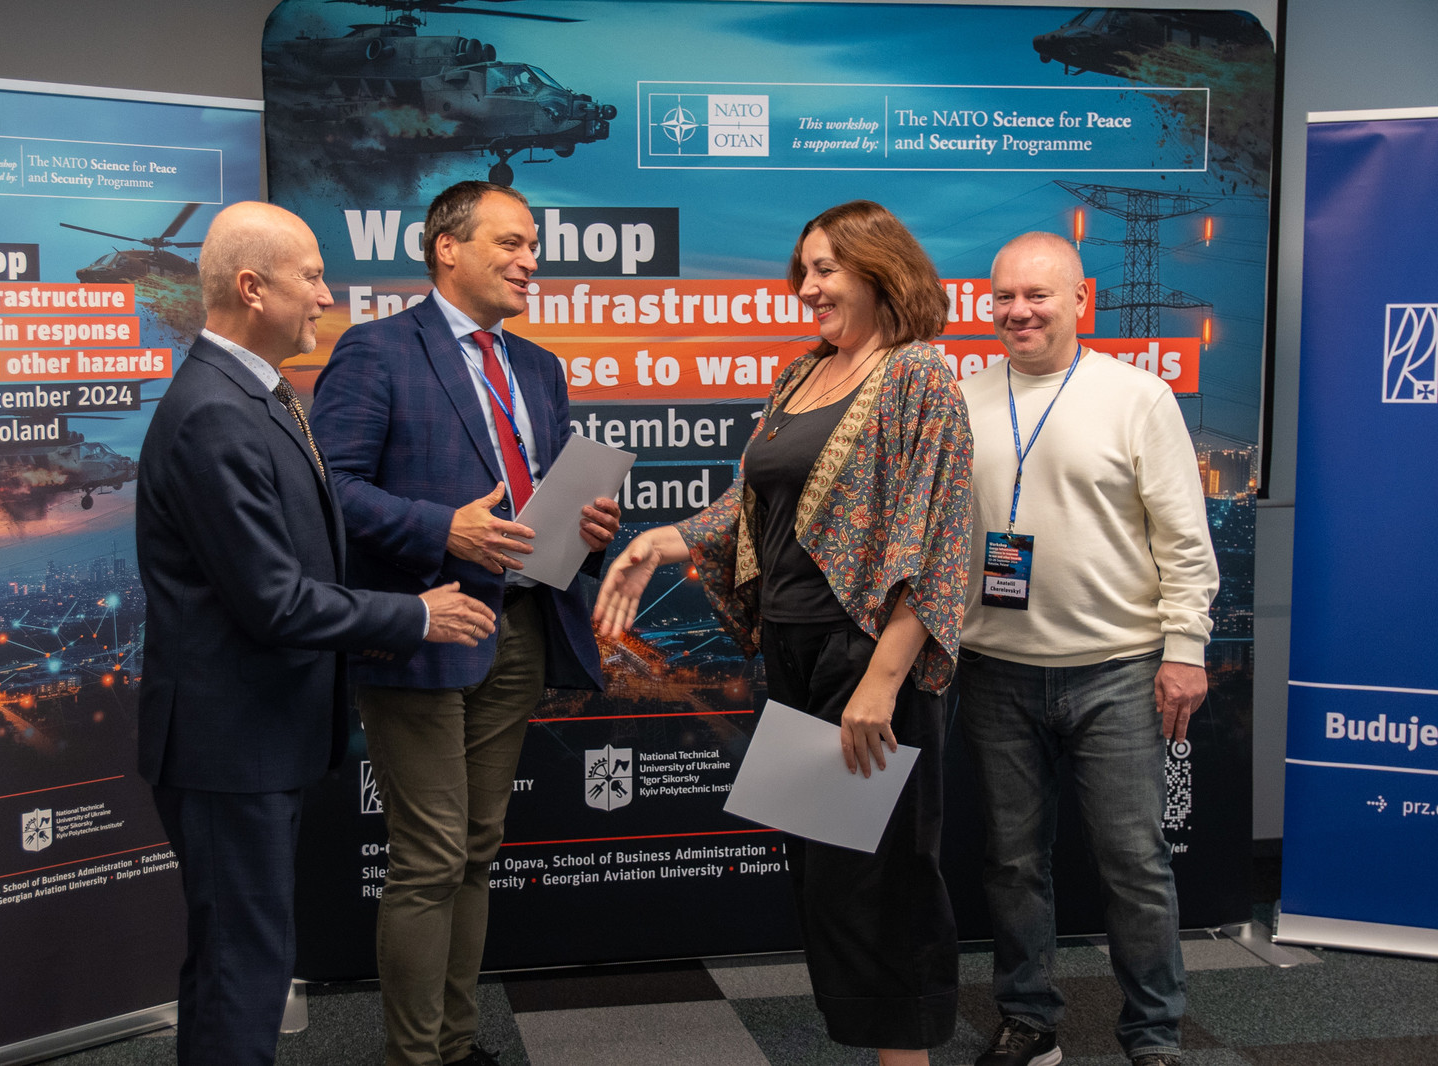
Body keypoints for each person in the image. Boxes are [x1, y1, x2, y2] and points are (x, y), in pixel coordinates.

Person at [595, 200, 973, 1066]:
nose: (807, 288)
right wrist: (663, 540)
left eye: (826, 269)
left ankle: (908, 1059)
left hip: (866, 657)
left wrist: (881, 683)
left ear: (880, 269)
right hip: (792, 651)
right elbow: (755, 501)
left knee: (884, 875)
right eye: (803, 270)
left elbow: (939, 542)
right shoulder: (803, 374)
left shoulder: (919, 374)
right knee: (829, 874)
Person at [136, 201, 496, 1066]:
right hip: (229, 748)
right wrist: (418, 615)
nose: (327, 297)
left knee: (239, 959)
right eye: (311, 277)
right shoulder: (215, 412)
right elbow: (274, 601)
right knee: (243, 968)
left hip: (254, 739)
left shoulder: (253, 395)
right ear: (252, 288)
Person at [310, 181, 620, 1066]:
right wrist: (440, 529)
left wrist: (589, 525)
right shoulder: (376, 351)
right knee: (432, 855)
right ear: (447, 247)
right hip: (424, 628)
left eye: (534, 248)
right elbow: (329, 489)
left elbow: (546, 497)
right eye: (511, 243)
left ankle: (454, 1046)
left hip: (518, 624)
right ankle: (415, 1060)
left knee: (477, 850)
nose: (530, 262)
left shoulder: (538, 368)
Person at [957, 232, 1219, 1066]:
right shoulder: (961, 400)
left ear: (1081, 300)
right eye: (1003, 296)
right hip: (995, 670)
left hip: (1118, 671)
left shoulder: (1138, 398)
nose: (1018, 311)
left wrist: (1185, 648)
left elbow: (1184, 539)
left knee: (1134, 864)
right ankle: (1029, 1021)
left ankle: (1154, 1035)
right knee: (1011, 863)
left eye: (1037, 294)